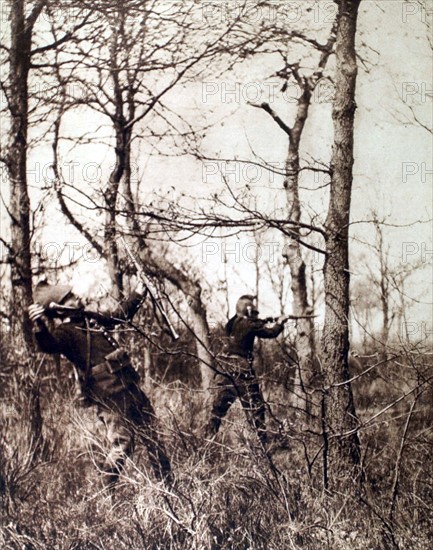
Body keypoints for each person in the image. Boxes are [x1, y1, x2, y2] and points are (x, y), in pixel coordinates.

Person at [28, 279, 172, 493]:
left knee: (152, 436)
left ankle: (168, 487)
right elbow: (48, 345)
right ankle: (107, 494)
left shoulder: (89, 318)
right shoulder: (64, 333)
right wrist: (38, 326)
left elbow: (117, 316)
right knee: (123, 443)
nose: (78, 298)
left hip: (129, 385)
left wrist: (139, 293)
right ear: (59, 308)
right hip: (107, 393)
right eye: (71, 297)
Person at [205, 295, 287, 446]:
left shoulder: (231, 324)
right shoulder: (250, 324)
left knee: (218, 409)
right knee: (256, 408)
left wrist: (264, 320)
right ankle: (263, 447)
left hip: (225, 369)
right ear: (248, 311)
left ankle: (206, 443)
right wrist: (280, 323)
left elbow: (246, 325)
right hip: (242, 371)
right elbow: (270, 333)